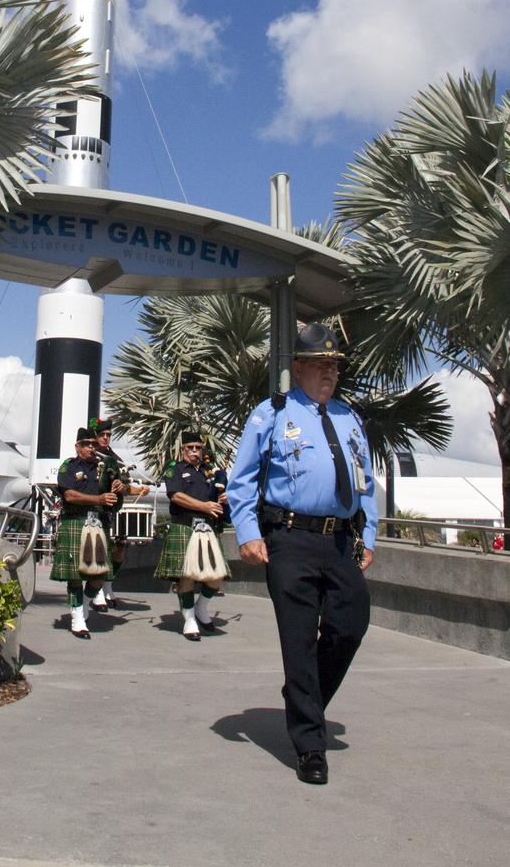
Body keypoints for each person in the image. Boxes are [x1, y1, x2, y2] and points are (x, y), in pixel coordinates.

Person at [227, 323, 377, 785]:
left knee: (351, 624)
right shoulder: (271, 413)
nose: (330, 372)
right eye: (320, 364)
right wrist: (248, 532)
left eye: (334, 365)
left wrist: (367, 535)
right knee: (299, 639)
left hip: (338, 540)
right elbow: (242, 479)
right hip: (288, 539)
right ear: (298, 368)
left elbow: (365, 482)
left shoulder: (351, 417)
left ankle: (302, 699)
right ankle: (310, 745)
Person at [155, 430, 230, 640]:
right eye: (190, 448)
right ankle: (189, 619)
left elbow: (219, 497)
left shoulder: (211, 472)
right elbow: (177, 496)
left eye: (198, 448)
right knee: (187, 576)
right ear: (183, 449)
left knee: (217, 575)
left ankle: (201, 607)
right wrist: (204, 506)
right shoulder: (175, 469)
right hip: (185, 526)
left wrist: (223, 497)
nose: (194, 452)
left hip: (208, 528)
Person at [50, 431, 118, 638]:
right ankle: (77, 618)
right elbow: (69, 495)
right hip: (75, 522)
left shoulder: (105, 467)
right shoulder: (69, 466)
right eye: (86, 444)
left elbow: (117, 495)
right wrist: (98, 500)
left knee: (99, 576)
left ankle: (85, 603)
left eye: (93, 444)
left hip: (99, 524)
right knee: (76, 577)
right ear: (77, 447)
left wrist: (120, 487)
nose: (91, 447)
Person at [89, 417, 148, 608]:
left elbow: (126, 486)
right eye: (102, 435)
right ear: (95, 436)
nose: (106, 438)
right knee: (99, 551)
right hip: (92, 510)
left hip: (111, 512)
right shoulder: (89, 457)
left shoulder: (115, 460)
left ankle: (107, 585)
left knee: (119, 550)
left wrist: (135, 490)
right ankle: (96, 591)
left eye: (108, 435)